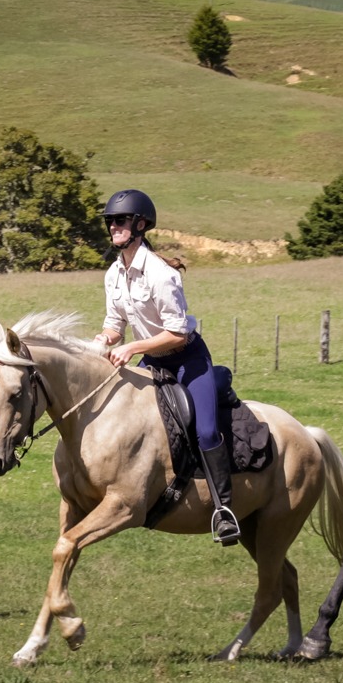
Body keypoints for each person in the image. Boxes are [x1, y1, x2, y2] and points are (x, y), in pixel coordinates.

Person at [93, 189, 241, 545]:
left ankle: (224, 510)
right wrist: (100, 342)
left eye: (121, 220)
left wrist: (132, 346)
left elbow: (176, 334)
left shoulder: (161, 275)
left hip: (187, 359)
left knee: (205, 431)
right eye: (110, 221)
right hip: (151, 361)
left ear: (140, 225)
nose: (113, 226)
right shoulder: (114, 274)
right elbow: (115, 324)